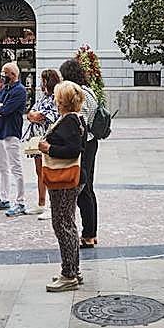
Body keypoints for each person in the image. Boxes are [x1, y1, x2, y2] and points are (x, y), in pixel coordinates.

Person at [40, 82, 87, 292]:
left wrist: (48, 148)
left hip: (65, 179)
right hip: (70, 178)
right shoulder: (74, 118)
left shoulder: (69, 120)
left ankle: (68, 274)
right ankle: (73, 269)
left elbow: (73, 149)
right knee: (68, 222)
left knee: (62, 224)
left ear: (62, 100)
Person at [60, 59, 99, 248]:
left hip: (84, 144)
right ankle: (92, 232)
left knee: (82, 188)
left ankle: (89, 234)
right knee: (88, 188)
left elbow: (77, 123)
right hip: (91, 143)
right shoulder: (89, 91)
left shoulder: (78, 94)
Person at [0, 62, 28, 217]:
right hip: (0, 133)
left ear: (12, 74)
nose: (2, 76)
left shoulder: (19, 91)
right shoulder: (6, 89)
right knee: (2, 167)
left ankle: (21, 202)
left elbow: (6, 110)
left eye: (5, 73)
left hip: (12, 132)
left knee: (15, 168)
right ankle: (4, 199)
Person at [26, 69, 61, 220]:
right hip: (37, 139)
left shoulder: (57, 97)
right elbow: (31, 113)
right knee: (39, 171)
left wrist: (37, 115)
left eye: (43, 80)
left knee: (49, 171)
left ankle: (52, 207)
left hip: (49, 138)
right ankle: (41, 203)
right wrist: (34, 116)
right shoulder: (42, 97)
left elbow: (51, 116)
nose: (41, 83)